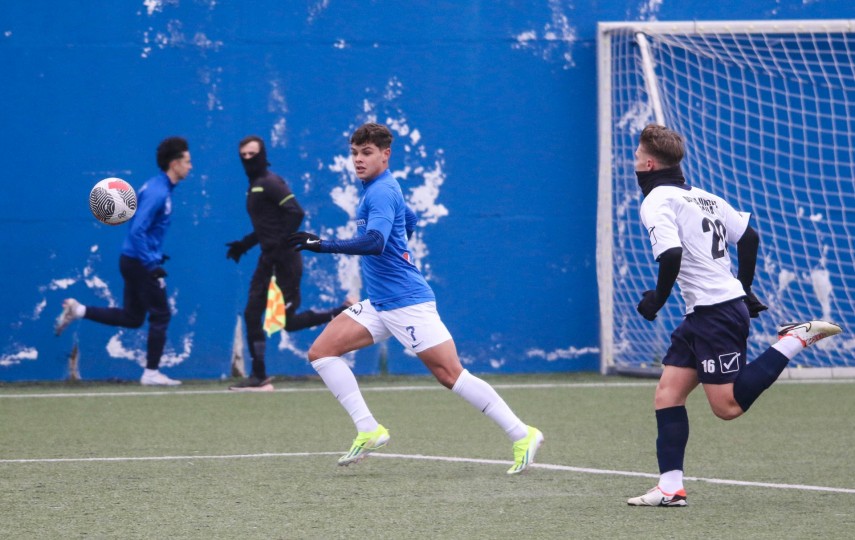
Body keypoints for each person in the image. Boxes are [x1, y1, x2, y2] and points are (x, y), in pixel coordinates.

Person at [287, 122, 544, 475]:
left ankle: (522, 433)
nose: (358, 160)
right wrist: (399, 253)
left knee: (451, 374)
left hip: (407, 303)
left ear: (385, 154)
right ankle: (368, 429)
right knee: (322, 352)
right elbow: (409, 220)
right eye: (354, 153)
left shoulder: (379, 192)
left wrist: (324, 244)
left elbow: (375, 241)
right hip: (381, 302)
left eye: (367, 153)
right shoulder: (380, 188)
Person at [627, 124, 842, 507]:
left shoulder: (657, 199)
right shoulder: (705, 197)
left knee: (726, 407)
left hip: (716, 314)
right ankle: (670, 487)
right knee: (668, 393)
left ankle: (795, 339)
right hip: (707, 312)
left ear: (647, 162)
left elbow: (672, 255)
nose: (633, 162)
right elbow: (750, 238)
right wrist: (743, 287)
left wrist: (657, 300)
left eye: (635, 156)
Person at [55, 136, 193, 386]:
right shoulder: (158, 191)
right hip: (140, 263)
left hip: (134, 260)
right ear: (174, 164)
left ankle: (78, 310)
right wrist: (151, 264)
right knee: (161, 314)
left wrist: (155, 254)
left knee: (133, 317)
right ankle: (151, 373)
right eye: (187, 161)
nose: (190, 166)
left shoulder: (159, 187)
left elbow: (144, 230)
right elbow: (137, 230)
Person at [225, 135, 350, 392]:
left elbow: (296, 212)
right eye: (244, 155)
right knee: (251, 314)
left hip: (285, 261)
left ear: (263, 155)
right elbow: (265, 227)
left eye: (253, 154)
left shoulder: (271, 183)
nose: (248, 159)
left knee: (286, 322)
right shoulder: (254, 186)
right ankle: (259, 377)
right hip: (266, 259)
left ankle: (340, 312)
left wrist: (280, 246)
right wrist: (244, 245)